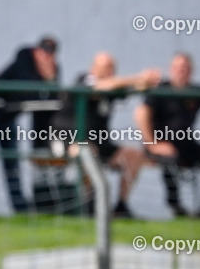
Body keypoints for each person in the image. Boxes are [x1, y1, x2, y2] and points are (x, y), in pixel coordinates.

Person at [53, 52, 159, 216]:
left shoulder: (113, 88)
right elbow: (102, 86)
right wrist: (138, 77)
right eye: (105, 68)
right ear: (93, 69)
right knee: (87, 152)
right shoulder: (84, 80)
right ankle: (89, 205)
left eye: (112, 68)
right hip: (68, 140)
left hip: (99, 143)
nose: (109, 72)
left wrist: (148, 80)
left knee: (134, 155)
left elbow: (130, 88)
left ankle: (121, 206)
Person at [135, 52, 200, 217]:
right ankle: (176, 206)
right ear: (170, 70)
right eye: (177, 68)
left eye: (185, 68)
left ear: (191, 71)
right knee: (170, 159)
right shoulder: (160, 90)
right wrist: (153, 144)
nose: (181, 71)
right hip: (159, 144)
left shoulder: (195, 92)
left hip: (186, 144)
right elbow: (141, 113)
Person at [0, 36, 60, 212]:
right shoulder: (24, 59)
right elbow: (29, 91)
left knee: (11, 162)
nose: (46, 57)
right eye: (43, 52)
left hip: (8, 118)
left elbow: (52, 100)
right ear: (36, 51)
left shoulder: (52, 70)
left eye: (50, 53)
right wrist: (44, 81)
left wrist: (50, 80)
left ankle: (19, 207)